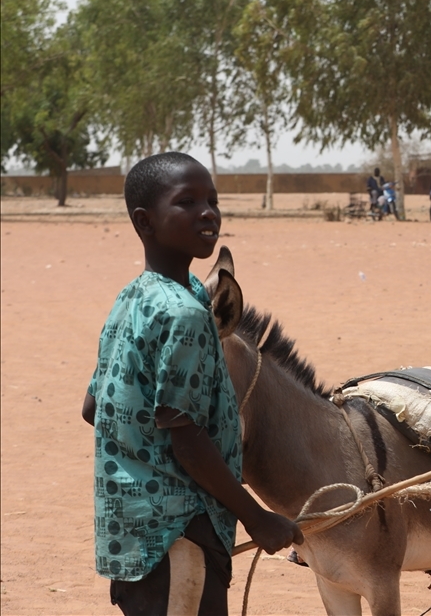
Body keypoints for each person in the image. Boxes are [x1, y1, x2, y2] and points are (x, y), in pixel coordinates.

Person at [81, 152, 303, 615]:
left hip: (130, 532)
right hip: (179, 534)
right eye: (187, 202)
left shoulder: (133, 296)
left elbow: (93, 407)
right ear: (145, 222)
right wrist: (257, 517)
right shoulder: (185, 315)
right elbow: (187, 439)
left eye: (212, 200)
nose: (208, 212)